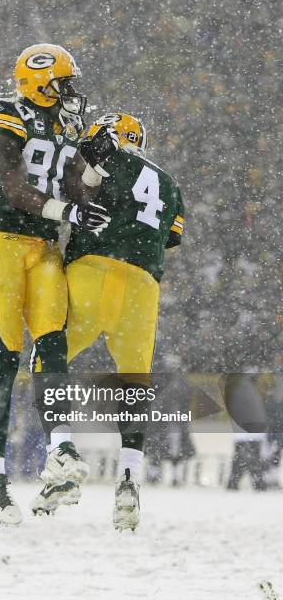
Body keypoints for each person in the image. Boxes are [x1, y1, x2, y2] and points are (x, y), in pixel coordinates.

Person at [0, 44, 117, 526]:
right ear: (36, 81)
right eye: (61, 82)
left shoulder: (64, 124)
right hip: (5, 241)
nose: (69, 91)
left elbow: (76, 191)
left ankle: (59, 445)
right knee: (5, 356)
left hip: (46, 245)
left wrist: (94, 165)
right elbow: (12, 186)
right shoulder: (4, 113)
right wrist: (70, 211)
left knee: (53, 345)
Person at [64, 112, 185, 530]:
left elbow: (72, 197)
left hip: (94, 269)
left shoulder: (96, 160)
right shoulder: (169, 183)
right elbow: (171, 237)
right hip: (143, 283)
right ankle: (130, 471)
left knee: (49, 355)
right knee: (135, 381)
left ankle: (59, 453)